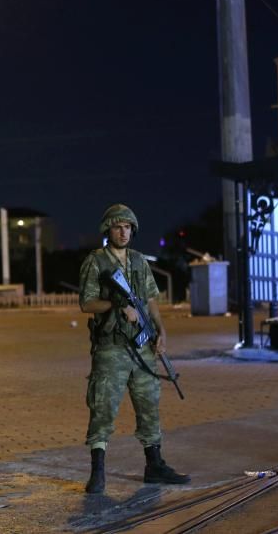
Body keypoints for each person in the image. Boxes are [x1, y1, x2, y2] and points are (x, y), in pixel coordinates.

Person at [79, 204, 189, 493]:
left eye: (128, 227)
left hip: (141, 347)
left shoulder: (140, 261)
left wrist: (160, 330)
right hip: (111, 348)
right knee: (102, 407)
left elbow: (151, 299)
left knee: (149, 405)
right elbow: (86, 303)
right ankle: (98, 472)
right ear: (108, 230)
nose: (123, 232)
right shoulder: (96, 262)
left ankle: (154, 465)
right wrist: (118, 305)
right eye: (117, 227)